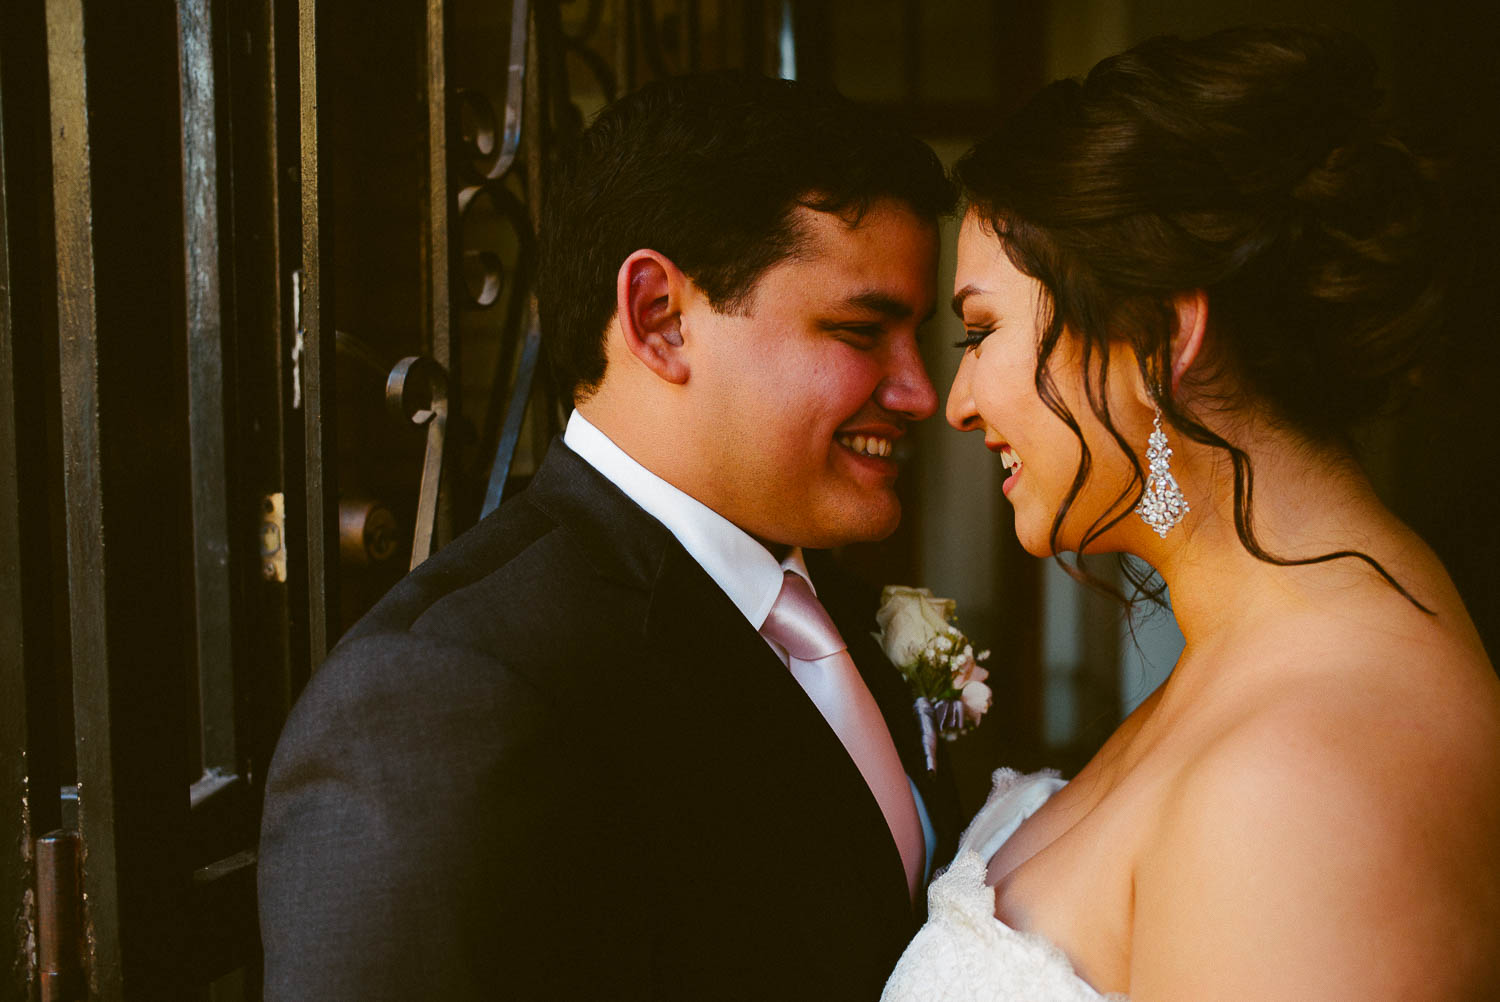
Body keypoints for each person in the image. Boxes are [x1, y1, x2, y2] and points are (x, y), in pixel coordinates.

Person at [258, 71, 961, 1001]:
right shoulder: (445, 697)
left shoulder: (826, 607)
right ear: (660, 319)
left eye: (922, 338)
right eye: (862, 331)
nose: (921, 392)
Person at [884, 25, 1500, 1001]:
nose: (957, 403)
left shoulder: (1308, 779)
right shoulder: (1263, 652)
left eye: (982, 330)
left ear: (1160, 337)